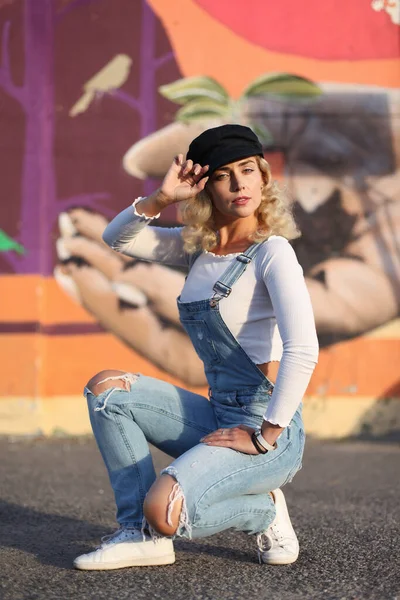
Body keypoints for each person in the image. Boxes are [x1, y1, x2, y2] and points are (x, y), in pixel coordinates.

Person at [73, 124, 319, 571]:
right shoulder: (197, 252)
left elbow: (303, 349)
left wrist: (266, 437)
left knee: (164, 509)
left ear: (263, 178)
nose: (240, 183)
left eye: (248, 170)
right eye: (224, 174)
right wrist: (162, 199)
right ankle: (138, 534)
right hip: (218, 414)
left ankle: (262, 507)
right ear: (206, 188)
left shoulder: (273, 253)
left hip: (266, 431)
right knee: (107, 391)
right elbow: (117, 239)